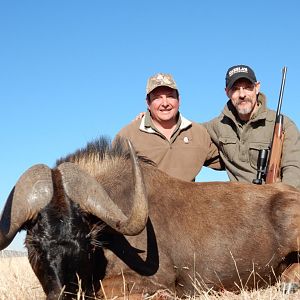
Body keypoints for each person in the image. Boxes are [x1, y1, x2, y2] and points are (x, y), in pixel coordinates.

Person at [204, 64, 300, 189]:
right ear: (227, 92)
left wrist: (281, 199)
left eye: (248, 87)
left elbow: (293, 168)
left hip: (275, 202)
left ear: (257, 87)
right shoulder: (217, 126)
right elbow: (188, 131)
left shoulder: (285, 126)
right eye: (236, 89)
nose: (242, 94)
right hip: (239, 204)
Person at [115, 72, 223, 182]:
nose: (165, 103)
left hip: (187, 199)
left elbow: (230, 160)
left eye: (170, 96)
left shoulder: (198, 133)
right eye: (157, 98)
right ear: (148, 103)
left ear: (179, 100)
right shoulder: (127, 135)